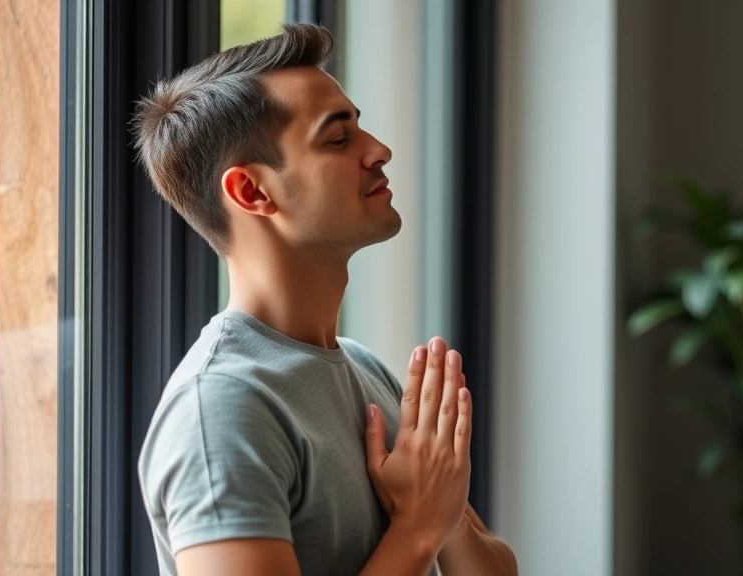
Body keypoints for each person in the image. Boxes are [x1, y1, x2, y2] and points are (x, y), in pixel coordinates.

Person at [131, 23, 517, 576]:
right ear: (252, 192)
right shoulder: (221, 412)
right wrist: (419, 528)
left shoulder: (362, 368)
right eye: (339, 139)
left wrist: (443, 514)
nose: (380, 150)